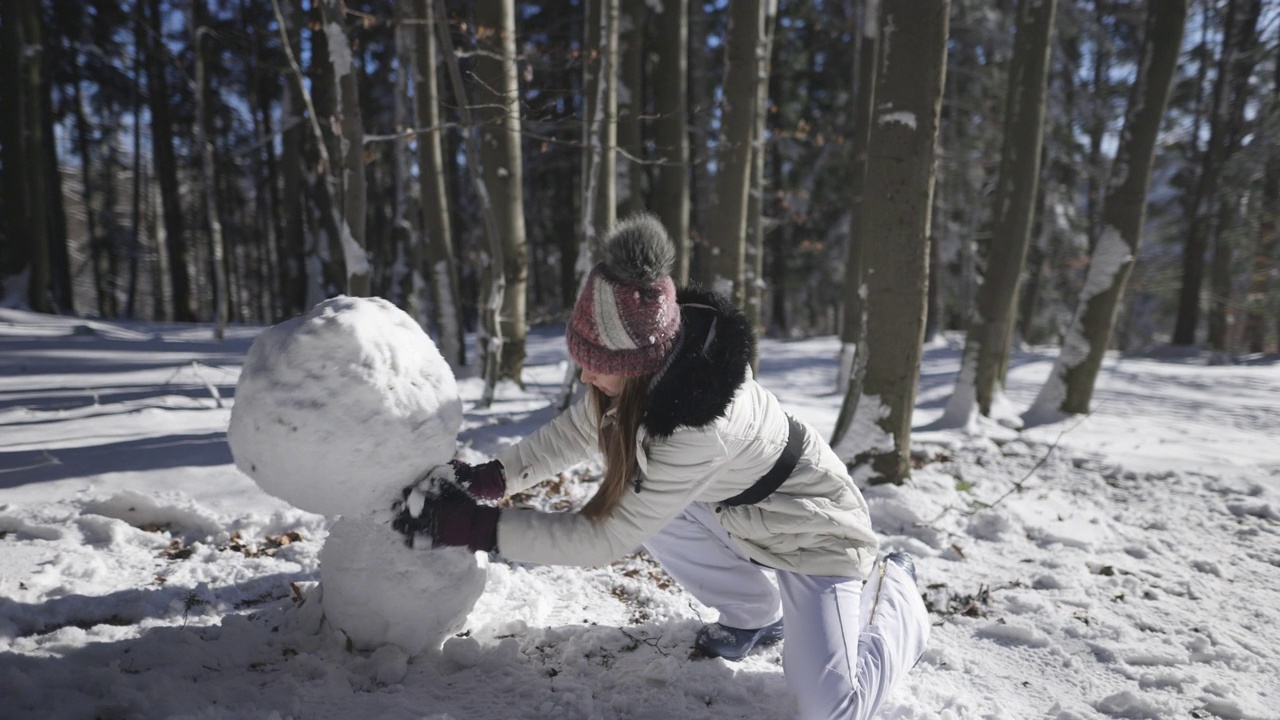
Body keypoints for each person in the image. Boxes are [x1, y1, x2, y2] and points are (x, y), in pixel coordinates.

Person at [393, 213, 930, 720]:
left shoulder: (701, 423)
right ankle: (754, 615)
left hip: (814, 528)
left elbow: (603, 538)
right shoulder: (643, 375)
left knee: (832, 708)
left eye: (595, 368)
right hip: (733, 510)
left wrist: (473, 528)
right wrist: (491, 478)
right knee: (649, 500)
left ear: (635, 366)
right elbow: (579, 430)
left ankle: (896, 588)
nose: (584, 379)